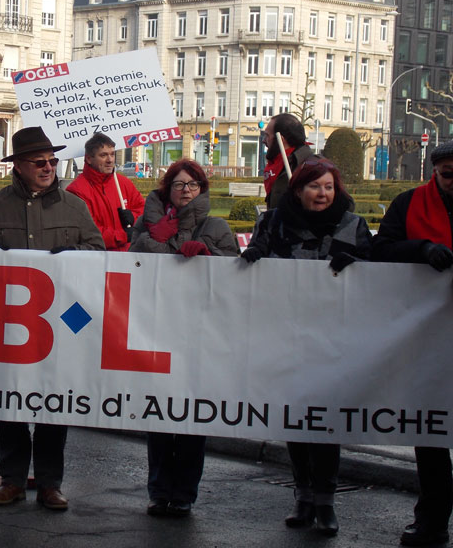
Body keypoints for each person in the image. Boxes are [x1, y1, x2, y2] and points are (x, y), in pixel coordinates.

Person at [0, 126, 104, 511]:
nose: (48, 167)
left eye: (52, 161)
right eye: (39, 162)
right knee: (10, 399)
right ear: (19, 166)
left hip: (61, 321)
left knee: (55, 404)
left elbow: (97, 249)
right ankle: (11, 480)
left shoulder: (74, 206)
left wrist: (70, 253)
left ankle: (50, 484)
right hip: (10, 320)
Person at [241, 158, 373, 536]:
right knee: (295, 418)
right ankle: (303, 495)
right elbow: (258, 260)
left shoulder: (353, 225)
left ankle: (326, 501)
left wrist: (360, 264)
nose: (322, 193)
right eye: (315, 186)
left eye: (329, 187)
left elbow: (378, 274)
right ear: (298, 190)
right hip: (287, 336)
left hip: (335, 339)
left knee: (325, 420)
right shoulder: (273, 222)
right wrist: (254, 257)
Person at [128, 158, 238, 518]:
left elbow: (235, 273)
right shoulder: (146, 224)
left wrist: (209, 256)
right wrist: (152, 240)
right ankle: (159, 491)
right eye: (179, 184)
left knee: (192, 417)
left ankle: (184, 493)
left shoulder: (216, 226)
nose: (186, 190)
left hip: (200, 332)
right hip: (157, 327)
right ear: (168, 189)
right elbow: (130, 263)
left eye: (193, 184)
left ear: (202, 189)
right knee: (159, 414)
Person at [372, 141, 453, 547]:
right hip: (425, 335)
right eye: (449, 174)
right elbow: (381, 248)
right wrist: (422, 249)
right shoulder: (408, 204)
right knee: (431, 432)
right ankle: (432, 521)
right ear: (434, 171)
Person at [66, 132, 145, 251]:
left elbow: (144, 211)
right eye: (103, 155)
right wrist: (123, 236)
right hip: (99, 258)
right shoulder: (76, 190)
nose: (110, 160)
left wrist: (133, 217)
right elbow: (88, 232)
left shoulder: (123, 183)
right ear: (89, 159)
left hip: (128, 256)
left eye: (112, 154)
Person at [262, 113, 313, 209]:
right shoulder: (278, 164)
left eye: (267, 136)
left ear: (281, 139)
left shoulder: (310, 166)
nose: (264, 140)